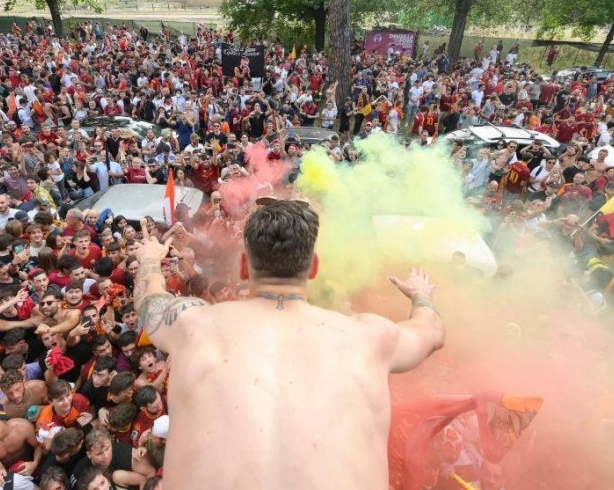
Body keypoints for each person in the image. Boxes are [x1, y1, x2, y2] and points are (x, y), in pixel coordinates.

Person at [130, 200, 445, 489]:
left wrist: (149, 260)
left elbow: (148, 301)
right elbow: (430, 331)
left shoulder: (192, 326)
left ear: (243, 266)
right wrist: (421, 294)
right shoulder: (369, 338)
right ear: (313, 268)